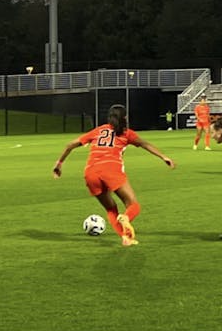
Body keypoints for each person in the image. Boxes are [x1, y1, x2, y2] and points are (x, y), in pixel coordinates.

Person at [52, 104, 175, 246]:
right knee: (133, 205)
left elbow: (70, 145)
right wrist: (164, 157)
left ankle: (125, 238)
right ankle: (126, 218)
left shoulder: (98, 131)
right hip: (111, 169)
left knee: (110, 209)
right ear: (125, 117)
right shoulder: (126, 133)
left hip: (90, 172)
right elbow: (145, 144)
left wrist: (59, 164)